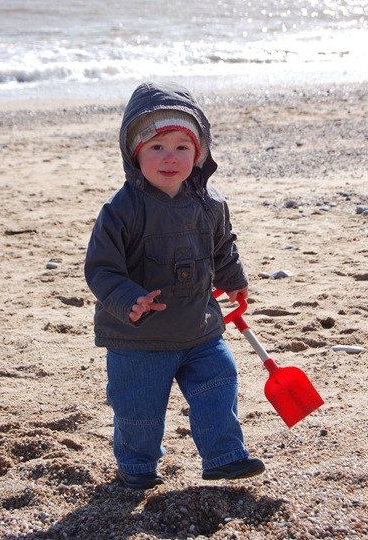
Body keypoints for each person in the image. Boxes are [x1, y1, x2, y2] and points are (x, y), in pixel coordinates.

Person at [84, 81, 265, 489]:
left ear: (199, 153)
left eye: (182, 147)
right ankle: (136, 467)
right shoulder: (121, 210)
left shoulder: (211, 202)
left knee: (219, 385)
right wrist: (129, 298)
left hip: (201, 329)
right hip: (139, 338)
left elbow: (221, 245)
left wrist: (233, 279)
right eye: (156, 147)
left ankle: (224, 455)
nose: (170, 158)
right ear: (135, 153)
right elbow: (101, 268)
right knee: (140, 412)